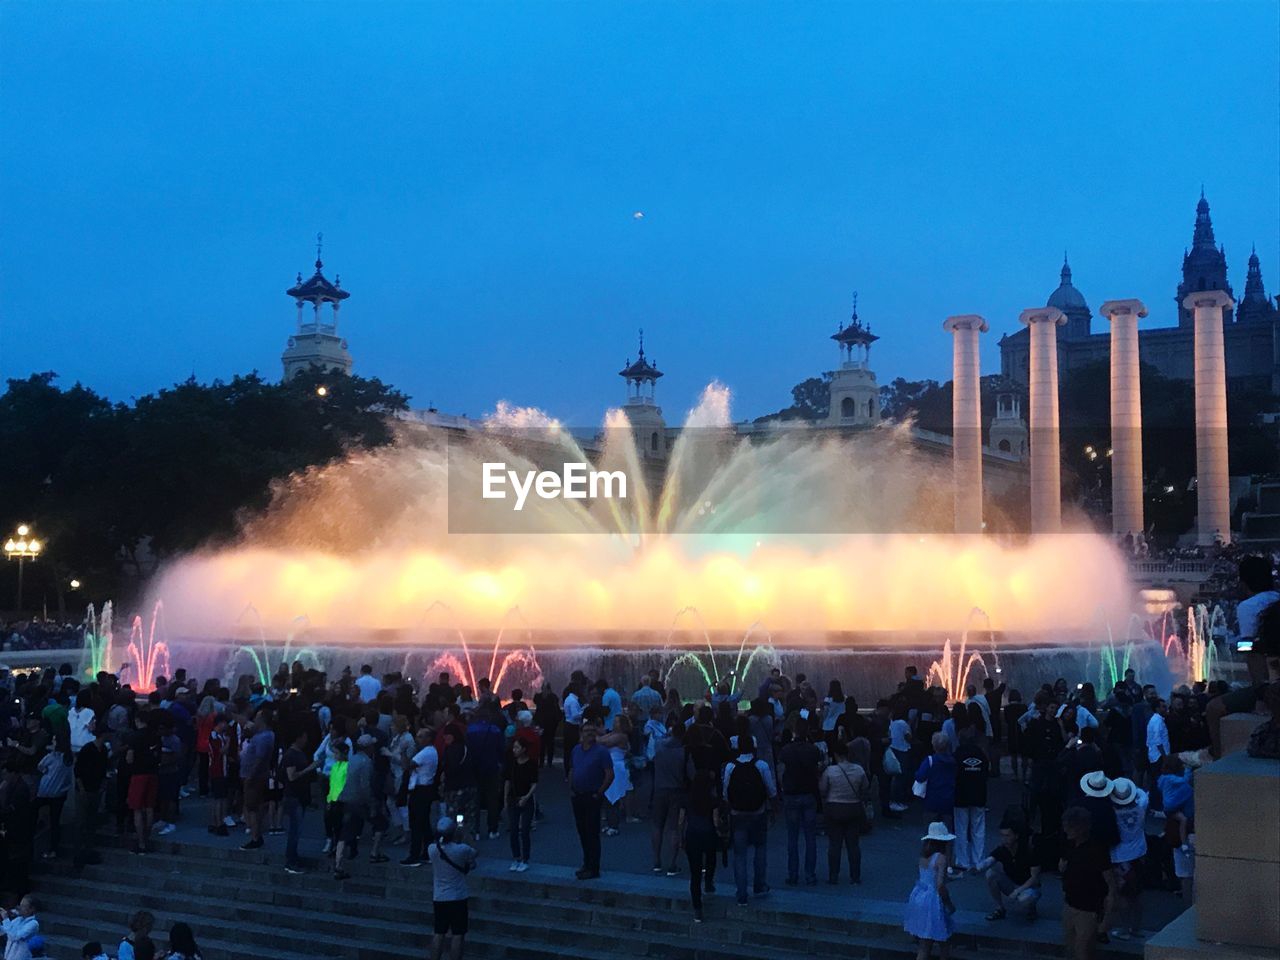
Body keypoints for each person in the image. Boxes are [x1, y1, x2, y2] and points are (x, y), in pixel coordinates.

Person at [722, 733, 777, 906]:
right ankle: (759, 885)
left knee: (740, 855)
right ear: (754, 747)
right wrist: (774, 809)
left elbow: (725, 793)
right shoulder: (761, 765)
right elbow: (771, 790)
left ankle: (741, 893)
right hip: (758, 812)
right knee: (760, 849)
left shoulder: (730, 767)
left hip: (737, 814)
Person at [1059, 807, 1114, 960]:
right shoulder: (1070, 845)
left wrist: (1107, 918)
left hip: (1089, 910)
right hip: (1070, 904)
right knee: (1070, 948)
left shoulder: (1097, 851)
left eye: (1070, 827)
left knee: (1083, 951)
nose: (1066, 830)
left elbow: (1110, 885)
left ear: (1081, 828)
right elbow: (1064, 867)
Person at [819, 738, 868, 885]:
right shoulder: (859, 770)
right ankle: (855, 876)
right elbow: (865, 787)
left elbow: (822, 790)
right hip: (853, 808)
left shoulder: (830, 771)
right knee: (853, 844)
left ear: (835, 754)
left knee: (835, 844)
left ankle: (833, 875)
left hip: (834, 808)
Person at [904, 823, 956, 960]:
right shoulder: (941, 858)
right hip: (932, 900)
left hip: (918, 896)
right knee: (944, 941)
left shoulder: (923, 857)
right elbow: (939, 885)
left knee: (924, 944)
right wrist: (949, 903)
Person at [1106, 777, 1148, 942]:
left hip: (1120, 858)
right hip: (1139, 854)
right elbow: (1142, 793)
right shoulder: (1141, 808)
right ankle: (1136, 927)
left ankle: (1124, 929)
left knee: (1123, 894)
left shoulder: (1113, 814)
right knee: (1137, 895)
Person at [569, 723, 613, 880]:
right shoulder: (576, 750)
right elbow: (573, 769)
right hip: (577, 795)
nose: (590, 734)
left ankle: (594, 867)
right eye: (587, 731)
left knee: (592, 832)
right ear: (581, 733)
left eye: (592, 731)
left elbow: (609, 774)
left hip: (592, 795)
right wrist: (571, 787)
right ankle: (586, 863)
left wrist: (599, 792)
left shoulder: (602, 752)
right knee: (582, 831)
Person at [429, 816, 477, 960]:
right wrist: (463, 832)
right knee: (458, 934)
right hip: (457, 897)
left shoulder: (432, 849)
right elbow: (474, 852)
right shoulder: (461, 850)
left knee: (439, 933)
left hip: (439, 897)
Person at [779, 727, 822, 886]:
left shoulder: (786, 750)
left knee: (792, 837)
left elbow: (781, 770)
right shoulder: (813, 750)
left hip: (791, 794)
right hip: (809, 793)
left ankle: (793, 874)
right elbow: (819, 768)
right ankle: (810, 874)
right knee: (810, 836)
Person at [976, 826, 1042, 921]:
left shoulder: (1029, 850)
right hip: (1011, 883)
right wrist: (977, 868)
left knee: (1025, 899)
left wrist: (1018, 891)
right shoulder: (1002, 850)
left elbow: (1034, 878)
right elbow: (988, 861)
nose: (1004, 839)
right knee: (990, 874)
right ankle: (1000, 908)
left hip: (1029, 887)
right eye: (1002, 836)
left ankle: (1031, 909)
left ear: (1016, 836)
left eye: (1007, 836)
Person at [649, 720, 689, 877]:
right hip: (676, 790)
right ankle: (672, 864)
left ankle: (656, 861)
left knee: (657, 825)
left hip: (659, 788)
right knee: (673, 827)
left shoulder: (659, 747)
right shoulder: (683, 752)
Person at [1235, 556, 1280, 683]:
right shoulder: (1277, 598)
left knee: (1215, 704)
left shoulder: (1248, 606)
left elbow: (1251, 648)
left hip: (1272, 677)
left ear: (1243, 583)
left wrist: (1261, 692)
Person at [951, 725, 989, 874]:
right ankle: (978, 860)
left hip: (961, 796)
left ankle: (962, 860)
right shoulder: (981, 755)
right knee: (978, 829)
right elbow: (986, 773)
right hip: (979, 795)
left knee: (960, 828)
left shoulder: (957, 755)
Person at [73, 721, 110, 867]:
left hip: (95, 789)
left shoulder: (104, 751)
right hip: (85, 789)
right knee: (81, 822)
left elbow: (104, 769)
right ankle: (78, 853)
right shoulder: (88, 749)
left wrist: (103, 786)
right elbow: (78, 771)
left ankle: (88, 851)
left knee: (91, 822)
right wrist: (81, 789)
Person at [281, 729, 318, 874]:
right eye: (304, 736)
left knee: (296, 828)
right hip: (293, 795)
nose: (306, 740)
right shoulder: (291, 755)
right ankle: (291, 860)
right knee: (295, 829)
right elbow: (292, 776)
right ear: (298, 737)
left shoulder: (299, 753)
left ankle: (293, 856)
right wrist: (309, 769)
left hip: (299, 795)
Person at [125, 712, 163, 854]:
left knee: (137, 809)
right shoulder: (155, 735)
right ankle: (147, 838)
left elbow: (130, 757)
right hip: (153, 773)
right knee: (149, 807)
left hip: (138, 774)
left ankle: (141, 843)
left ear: (137, 720)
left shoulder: (135, 736)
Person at [403, 726, 440, 867]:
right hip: (425, 789)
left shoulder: (426, 753)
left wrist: (403, 752)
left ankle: (415, 854)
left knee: (416, 823)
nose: (417, 739)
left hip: (421, 790)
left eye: (420, 736)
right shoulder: (431, 751)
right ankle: (426, 853)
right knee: (424, 823)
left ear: (428, 738)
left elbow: (407, 765)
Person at [503, 736, 537, 871]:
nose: (514, 750)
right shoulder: (511, 763)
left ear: (523, 749)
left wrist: (527, 796)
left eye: (517, 747)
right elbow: (507, 781)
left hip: (526, 799)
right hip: (513, 798)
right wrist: (505, 799)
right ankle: (516, 857)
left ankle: (525, 858)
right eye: (514, 747)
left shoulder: (531, 764)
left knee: (525, 831)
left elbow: (534, 783)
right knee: (513, 830)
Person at [914, 732, 957, 833]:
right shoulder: (954, 762)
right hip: (949, 799)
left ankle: (930, 847)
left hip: (932, 799)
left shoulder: (930, 760)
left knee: (930, 831)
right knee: (947, 831)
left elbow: (920, 777)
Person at [1, 896, 39, 960]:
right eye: (20, 905)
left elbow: (15, 936)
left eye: (23, 906)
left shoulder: (33, 924)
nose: (19, 908)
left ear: (32, 909)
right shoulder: (18, 919)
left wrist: (5, 919)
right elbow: (4, 931)